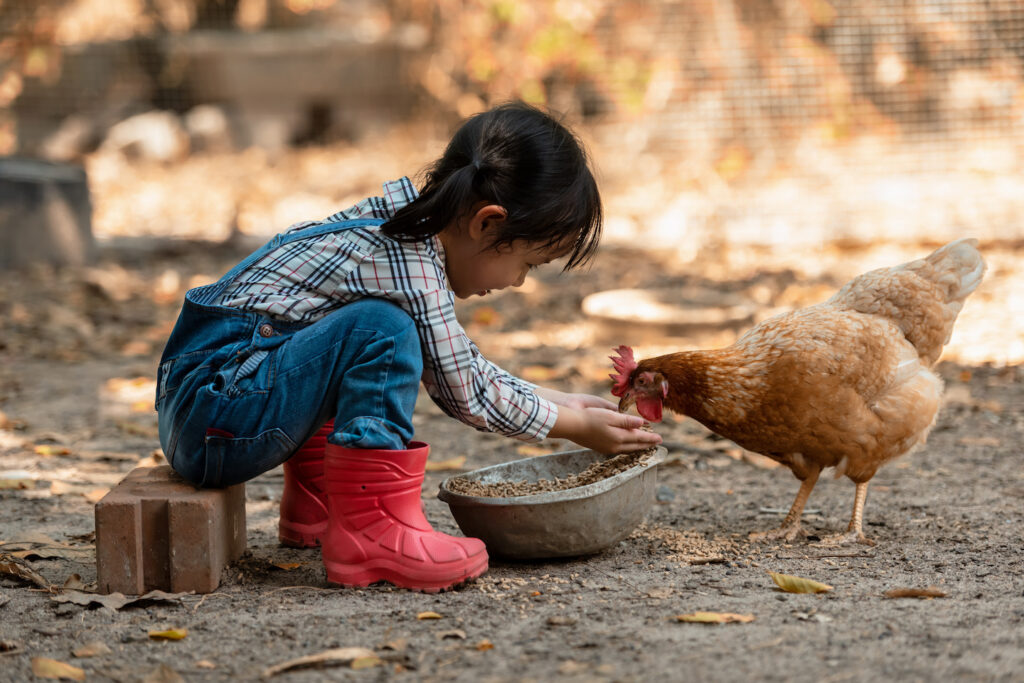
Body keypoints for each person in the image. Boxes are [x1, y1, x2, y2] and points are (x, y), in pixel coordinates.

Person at [155, 102, 662, 593]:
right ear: (487, 222)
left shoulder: (404, 229)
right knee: (383, 330)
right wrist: (570, 425)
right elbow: (468, 392)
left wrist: (560, 400)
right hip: (215, 420)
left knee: (358, 331)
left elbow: (459, 360)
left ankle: (321, 502)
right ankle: (371, 531)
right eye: (528, 264)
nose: (519, 283)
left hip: (209, 405)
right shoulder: (410, 267)